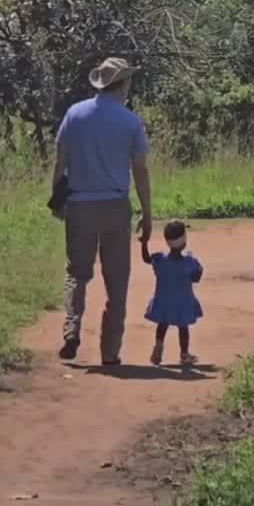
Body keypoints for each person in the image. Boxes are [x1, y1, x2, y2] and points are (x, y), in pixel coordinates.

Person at [51, 56, 152, 364]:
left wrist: (58, 200)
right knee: (117, 281)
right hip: (115, 206)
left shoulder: (74, 114)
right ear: (122, 85)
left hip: (80, 204)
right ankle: (110, 352)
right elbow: (140, 169)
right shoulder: (129, 121)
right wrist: (147, 212)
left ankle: (71, 330)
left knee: (77, 274)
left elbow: (60, 162)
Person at [142, 220, 203, 367]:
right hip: (183, 301)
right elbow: (196, 278)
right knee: (183, 328)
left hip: (163, 300)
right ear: (183, 242)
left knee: (162, 325)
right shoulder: (189, 262)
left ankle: (158, 348)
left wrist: (144, 243)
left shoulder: (160, 260)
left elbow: (146, 259)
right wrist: (198, 267)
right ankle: (184, 354)